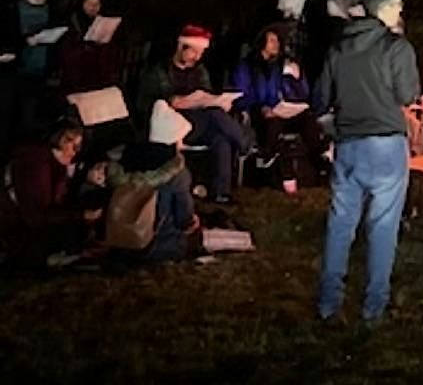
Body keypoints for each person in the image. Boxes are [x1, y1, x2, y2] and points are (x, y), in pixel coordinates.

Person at [317, 0, 420, 324]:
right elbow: (408, 96)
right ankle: (374, 308)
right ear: (385, 9)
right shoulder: (396, 47)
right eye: (399, 6)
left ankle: (328, 304)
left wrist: (337, 131)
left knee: (340, 223)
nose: (401, 12)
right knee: (383, 226)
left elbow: (320, 100)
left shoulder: (339, 48)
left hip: (348, 146)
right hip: (387, 147)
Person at [139, 25, 249, 205]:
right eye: (193, 52)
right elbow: (149, 104)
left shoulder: (199, 70)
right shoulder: (160, 71)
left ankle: (221, 193)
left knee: (220, 137)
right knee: (215, 116)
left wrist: (219, 101)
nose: (197, 57)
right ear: (181, 47)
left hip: (198, 123)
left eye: (200, 53)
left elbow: (207, 96)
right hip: (170, 127)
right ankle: (245, 143)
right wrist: (174, 101)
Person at [232, 23, 326, 193]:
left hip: (281, 110)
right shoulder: (247, 67)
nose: (276, 45)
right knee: (272, 125)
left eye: (277, 41)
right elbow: (241, 94)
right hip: (259, 111)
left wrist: (297, 79)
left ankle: (321, 156)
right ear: (262, 43)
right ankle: (276, 166)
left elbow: (301, 93)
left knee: (308, 118)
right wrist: (261, 107)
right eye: (271, 41)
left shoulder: (280, 65)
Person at [105, 101, 200, 263]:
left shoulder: (122, 160)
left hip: (117, 242)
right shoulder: (177, 172)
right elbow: (184, 219)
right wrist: (193, 222)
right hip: (155, 245)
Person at [1, 121, 103, 266]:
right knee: (74, 229)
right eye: (72, 145)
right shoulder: (37, 165)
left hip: (30, 220)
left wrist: (84, 175)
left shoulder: (50, 161)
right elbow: (36, 217)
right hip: (16, 226)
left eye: (78, 147)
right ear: (60, 141)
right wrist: (81, 215)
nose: (74, 152)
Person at [8, 0, 59, 140]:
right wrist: (25, 41)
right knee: (22, 111)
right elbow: (10, 37)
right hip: (22, 67)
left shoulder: (49, 10)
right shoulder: (16, 9)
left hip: (42, 66)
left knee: (37, 109)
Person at [59, 0, 121, 96]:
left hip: (97, 75)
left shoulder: (101, 21)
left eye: (97, 4)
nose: (93, 8)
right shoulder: (73, 22)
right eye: (89, 4)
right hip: (77, 76)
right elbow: (67, 52)